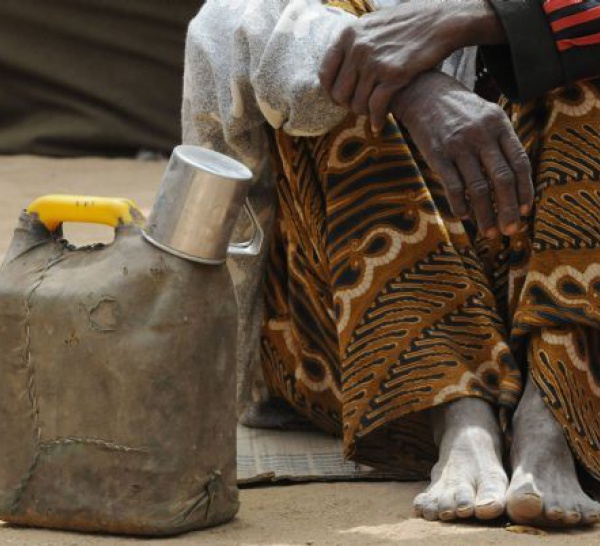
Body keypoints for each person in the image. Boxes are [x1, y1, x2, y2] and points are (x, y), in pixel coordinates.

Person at [183, 0, 600, 527]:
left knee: (581, 57)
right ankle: (456, 410)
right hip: (358, 352)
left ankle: (552, 407)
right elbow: (224, 23)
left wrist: (486, 18)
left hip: (571, 342)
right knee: (346, 62)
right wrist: (409, 86)